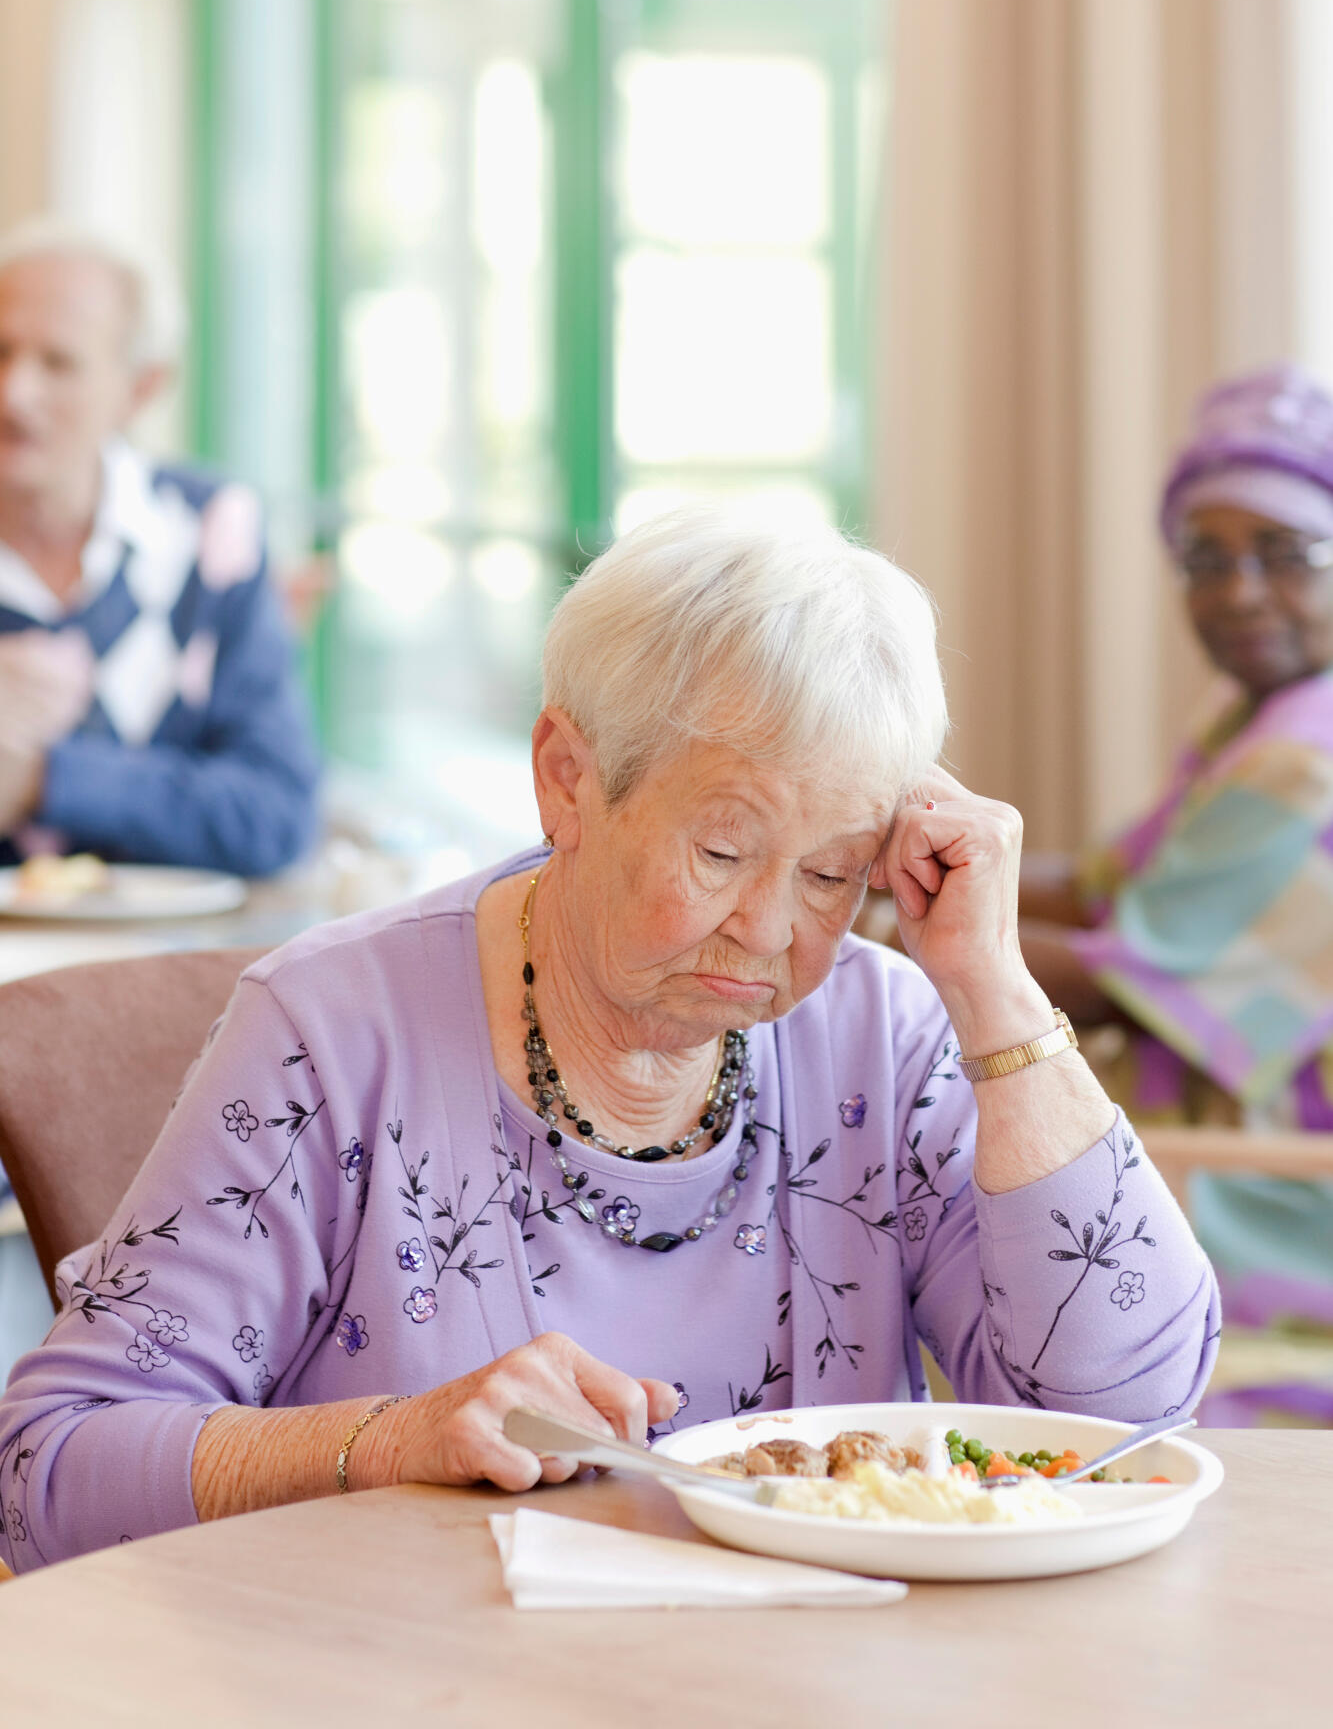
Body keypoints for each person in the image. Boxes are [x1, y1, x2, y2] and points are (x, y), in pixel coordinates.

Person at [0, 507, 1218, 1572]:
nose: (769, 927)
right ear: (567, 778)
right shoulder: (332, 1037)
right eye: (722, 850)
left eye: (834, 870)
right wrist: (393, 1438)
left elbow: (1125, 1423)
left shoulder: (882, 1034)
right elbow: (50, 1470)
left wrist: (994, 989)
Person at [1017, 365, 1333, 1421]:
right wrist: (892, 844)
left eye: (1285, 554)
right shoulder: (1251, 714)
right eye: (1205, 560)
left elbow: (1131, 975)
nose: (1238, 590)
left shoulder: (1305, 755)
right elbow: (1107, 888)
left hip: (1273, 1197)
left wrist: (872, 930)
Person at [0, 218, 321, 877]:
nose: (14, 393)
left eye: (57, 362)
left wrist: (44, 776)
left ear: (141, 387)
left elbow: (273, 814)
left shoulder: (211, 531)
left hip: (155, 965)